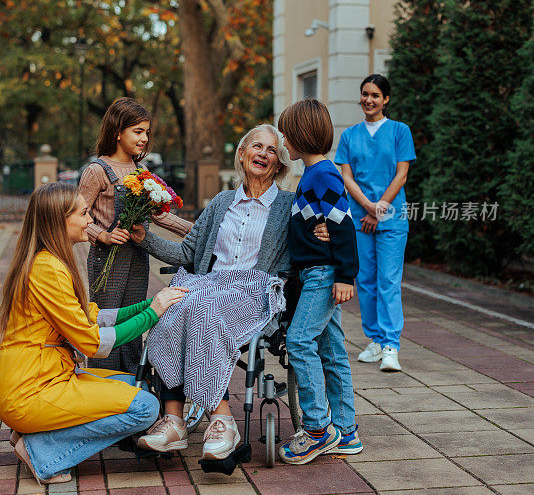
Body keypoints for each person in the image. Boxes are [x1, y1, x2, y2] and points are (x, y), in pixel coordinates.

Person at [130, 124, 327, 461]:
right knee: (173, 306)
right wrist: (143, 238)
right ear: (241, 153)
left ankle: (222, 420)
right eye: (256, 146)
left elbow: (315, 234)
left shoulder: (288, 205)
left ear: (280, 164)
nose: (263, 154)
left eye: (271, 150)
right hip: (210, 286)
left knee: (200, 306)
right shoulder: (222, 202)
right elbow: (187, 254)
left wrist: (326, 231)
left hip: (254, 290)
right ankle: (174, 419)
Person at [0, 182, 186, 485]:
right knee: (146, 407)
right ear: (61, 220)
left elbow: (92, 318)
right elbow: (92, 343)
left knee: (132, 382)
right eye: (84, 213)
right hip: (31, 391)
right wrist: (153, 314)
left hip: (42, 379)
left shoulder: (50, 259)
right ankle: (43, 453)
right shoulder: (48, 268)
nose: (90, 221)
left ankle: (35, 433)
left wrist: (149, 304)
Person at [78, 97, 192, 374]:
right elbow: (75, 215)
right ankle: (104, 383)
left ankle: (132, 386)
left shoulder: (141, 172)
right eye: (138, 131)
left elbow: (159, 216)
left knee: (136, 321)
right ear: (117, 132)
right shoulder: (97, 171)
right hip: (107, 260)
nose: (144, 139)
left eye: (146, 132)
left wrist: (200, 230)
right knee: (107, 322)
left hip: (138, 257)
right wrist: (101, 236)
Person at [277, 98, 363, 465]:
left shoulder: (323, 174)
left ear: (301, 135)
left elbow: (343, 224)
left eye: (286, 134)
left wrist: (345, 275)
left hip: (323, 276)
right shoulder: (312, 175)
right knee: (331, 351)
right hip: (318, 273)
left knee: (298, 341)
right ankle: (346, 432)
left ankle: (317, 429)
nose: (283, 140)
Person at [334, 75, 416, 372]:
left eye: (376, 95)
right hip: (360, 220)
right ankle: (376, 339)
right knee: (365, 282)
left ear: (386, 99)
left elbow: (401, 175)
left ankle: (392, 345)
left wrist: (378, 210)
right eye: (365, 94)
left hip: (391, 220)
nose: (369, 100)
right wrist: (367, 208)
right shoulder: (349, 135)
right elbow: (347, 177)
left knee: (389, 282)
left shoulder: (399, 131)